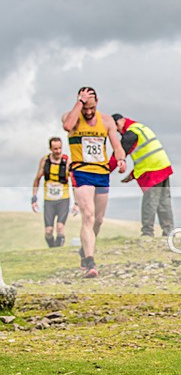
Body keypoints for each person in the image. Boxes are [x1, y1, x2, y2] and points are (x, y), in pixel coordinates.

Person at [62, 87, 127, 278]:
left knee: (98, 220)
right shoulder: (70, 117)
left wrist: (121, 159)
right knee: (88, 216)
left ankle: (85, 249)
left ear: (97, 102)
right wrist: (80, 103)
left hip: (101, 172)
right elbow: (67, 126)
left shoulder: (106, 121)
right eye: (85, 109)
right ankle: (90, 261)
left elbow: (116, 145)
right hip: (81, 171)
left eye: (91, 108)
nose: (88, 113)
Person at [112, 114, 175, 237]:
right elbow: (145, 153)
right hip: (162, 166)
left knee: (149, 202)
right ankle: (169, 232)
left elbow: (117, 155)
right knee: (164, 201)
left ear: (119, 122)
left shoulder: (130, 134)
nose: (118, 132)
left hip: (152, 170)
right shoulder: (140, 127)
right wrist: (133, 174)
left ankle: (147, 233)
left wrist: (104, 170)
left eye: (116, 129)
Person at [31, 137, 78, 247]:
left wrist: (76, 203)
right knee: (48, 230)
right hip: (49, 200)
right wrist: (34, 198)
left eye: (60, 148)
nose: (58, 151)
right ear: (50, 149)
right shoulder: (45, 161)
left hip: (63, 199)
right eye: (55, 149)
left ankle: (58, 249)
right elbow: (37, 179)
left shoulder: (67, 161)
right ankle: (52, 248)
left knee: (60, 227)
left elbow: (74, 183)